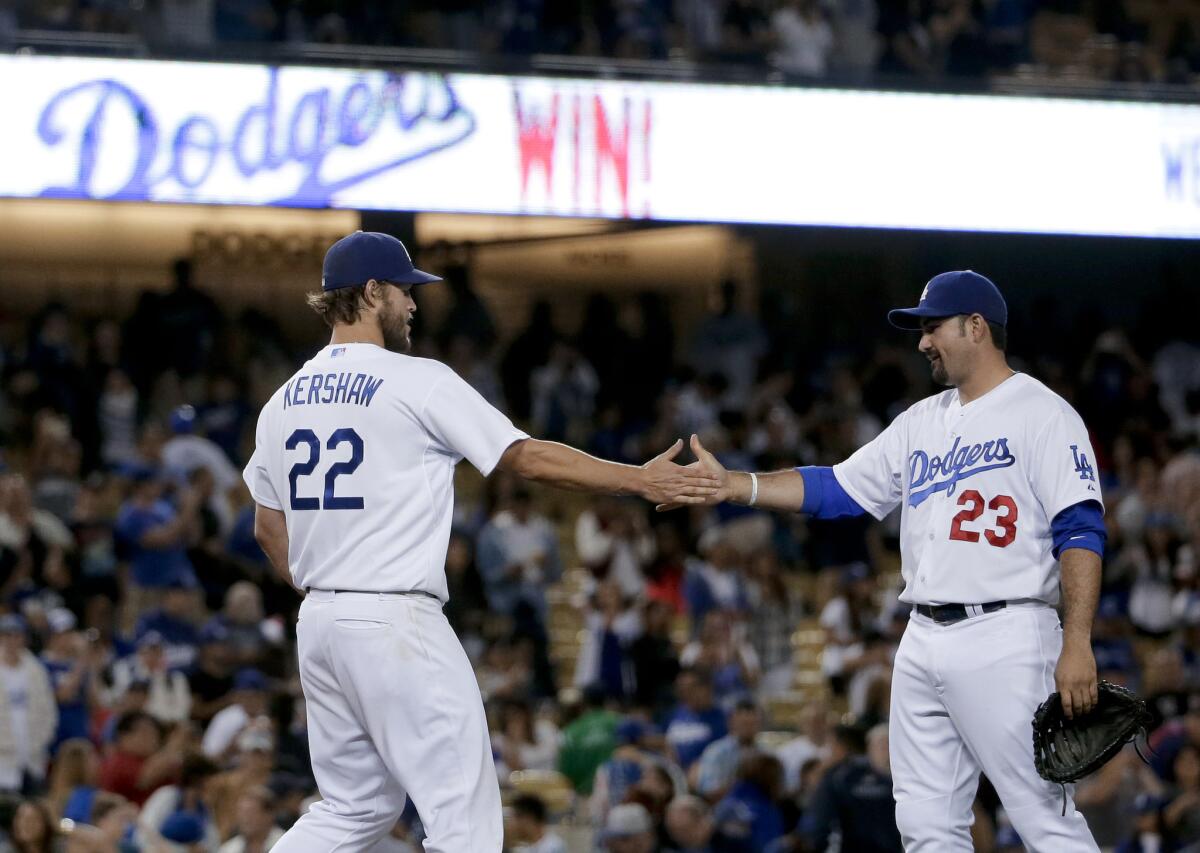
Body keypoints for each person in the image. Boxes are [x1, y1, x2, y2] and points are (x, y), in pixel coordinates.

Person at [242, 232, 717, 852]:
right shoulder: (416, 380)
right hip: (393, 615)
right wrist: (637, 477)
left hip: (322, 619)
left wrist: (328, 591)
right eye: (405, 291)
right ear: (371, 292)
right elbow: (526, 457)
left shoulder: (283, 400)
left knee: (352, 808)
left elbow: (266, 524)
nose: (414, 305)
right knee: (464, 817)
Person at [673, 271, 1107, 850]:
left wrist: (1078, 640)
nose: (923, 341)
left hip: (1007, 631)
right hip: (922, 635)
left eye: (933, 327)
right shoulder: (920, 422)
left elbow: (1080, 529)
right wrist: (737, 485)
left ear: (975, 327)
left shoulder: (1043, 414)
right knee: (925, 827)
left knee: (1042, 818)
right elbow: (837, 490)